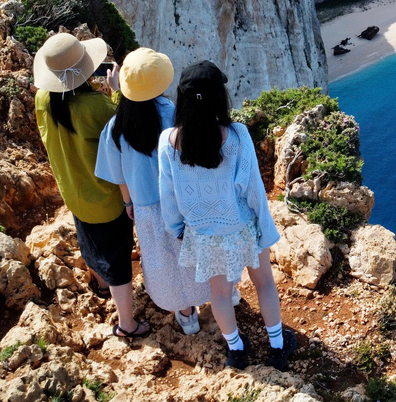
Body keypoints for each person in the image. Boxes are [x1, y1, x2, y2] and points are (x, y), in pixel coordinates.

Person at [157, 61, 297, 370]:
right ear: (219, 97)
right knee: (264, 284)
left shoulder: (167, 143)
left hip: (202, 233)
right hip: (242, 227)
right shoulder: (236, 135)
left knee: (218, 293)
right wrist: (265, 229)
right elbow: (253, 190)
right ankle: (277, 346)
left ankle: (236, 349)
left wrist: (178, 229)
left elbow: (167, 194)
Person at [34, 32, 149, 339]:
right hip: (107, 200)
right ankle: (127, 324)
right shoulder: (96, 106)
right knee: (117, 257)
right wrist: (116, 93)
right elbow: (123, 131)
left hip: (74, 193)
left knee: (90, 243)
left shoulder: (43, 100)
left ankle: (100, 284)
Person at [95, 48, 212, 335]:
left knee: (166, 261)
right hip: (181, 199)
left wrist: (128, 203)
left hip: (146, 206)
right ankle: (223, 293)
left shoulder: (114, 128)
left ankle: (186, 315)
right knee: (198, 249)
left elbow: (119, 175)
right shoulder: (172, 113)